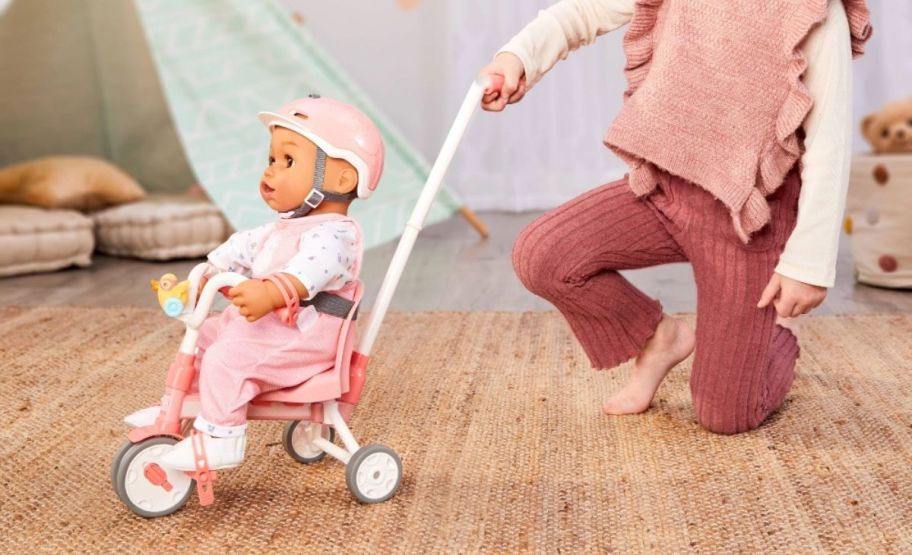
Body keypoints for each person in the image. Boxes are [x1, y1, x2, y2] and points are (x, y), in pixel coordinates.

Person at [478, 0, 872, 433]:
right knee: (543, 254)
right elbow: (582, 13)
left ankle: (776, 338)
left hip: (749, 222)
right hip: (663, 191)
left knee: (725, 416)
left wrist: (808, 262)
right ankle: (661, 337)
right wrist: (517, 57)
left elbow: (829, 139)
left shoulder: (812, 10)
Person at [126, 95, 384, 469]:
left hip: (305, 337)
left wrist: (270, 290)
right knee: (207, 337)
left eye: (289, 161)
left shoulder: (334, 235)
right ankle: (186, 404)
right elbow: (242, 246)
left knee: (227, 359)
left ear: (341, 178)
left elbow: (309, 272)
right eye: (272, 160)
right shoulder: (283, 228)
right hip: (273, 329)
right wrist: (207, 274)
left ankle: (221, 437)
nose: (271, 172)